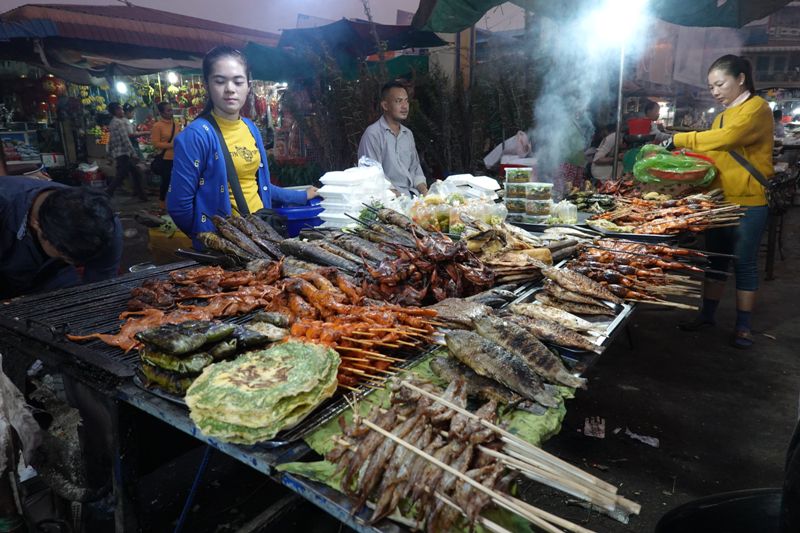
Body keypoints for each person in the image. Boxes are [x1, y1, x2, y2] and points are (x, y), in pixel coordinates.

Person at [665, 55, 773, 349]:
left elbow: (728, 139)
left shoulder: (757, 109)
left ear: (740, 79)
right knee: (715, 261)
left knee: (744, 263)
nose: (714, 92)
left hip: (749, 201)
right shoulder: (721, 116)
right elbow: (713, 160)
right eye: (711, 87)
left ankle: (743, 326)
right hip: (719, 202)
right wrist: (687, 180)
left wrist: (680, 140)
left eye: (719, 84)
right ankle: (707, 315)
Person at [168, 46, 318, 247]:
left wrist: (300, 195)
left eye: (238, 81)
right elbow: (179, 206)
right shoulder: (196, 136)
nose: (230, 89)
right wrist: (209, 239)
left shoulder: (250, 128)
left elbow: (258, 185)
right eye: (220, 81)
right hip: (227, 246)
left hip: (262, 235)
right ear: (207, 85)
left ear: (248, 85)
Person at [0, 176, 123, 300]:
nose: (75, 263)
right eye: (63, 254)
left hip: (54, 274)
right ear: (36, 224)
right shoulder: (5, 206)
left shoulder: (104, 225)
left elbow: (100, 284)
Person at [358, 81, 429, 197]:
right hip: (389, 201)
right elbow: (372, 177)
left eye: (406, 101)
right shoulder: (373, 134)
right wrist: (399, 198)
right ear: (385, 105)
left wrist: (426, 193)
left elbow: (416, 169)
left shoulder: (408, 134)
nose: (405, 106)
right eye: (398, 101)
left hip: (412, 197)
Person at [106, 102, 147, 201]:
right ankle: (107, 193)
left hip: (119, 153)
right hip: (123, 153)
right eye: (120, 109)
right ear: (116, 111)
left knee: (135, 173)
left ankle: (141, 196)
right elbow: (125, 139)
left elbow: (110, 140)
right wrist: (133, 153)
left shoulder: (112, 123)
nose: (122, 111)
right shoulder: (119, 123)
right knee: (121, 175)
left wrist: (110, 154)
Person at [150, 101, 180, 209]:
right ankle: (162, 203)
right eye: (168, 110)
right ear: (161, 113)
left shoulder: (176, 124)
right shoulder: (157, 126)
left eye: (171, 109)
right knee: (166, 181)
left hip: (177, 158)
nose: (171, 112)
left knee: (176, 181)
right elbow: (155, 143)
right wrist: (171, 145)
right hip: (165, 158)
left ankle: (174, 202)